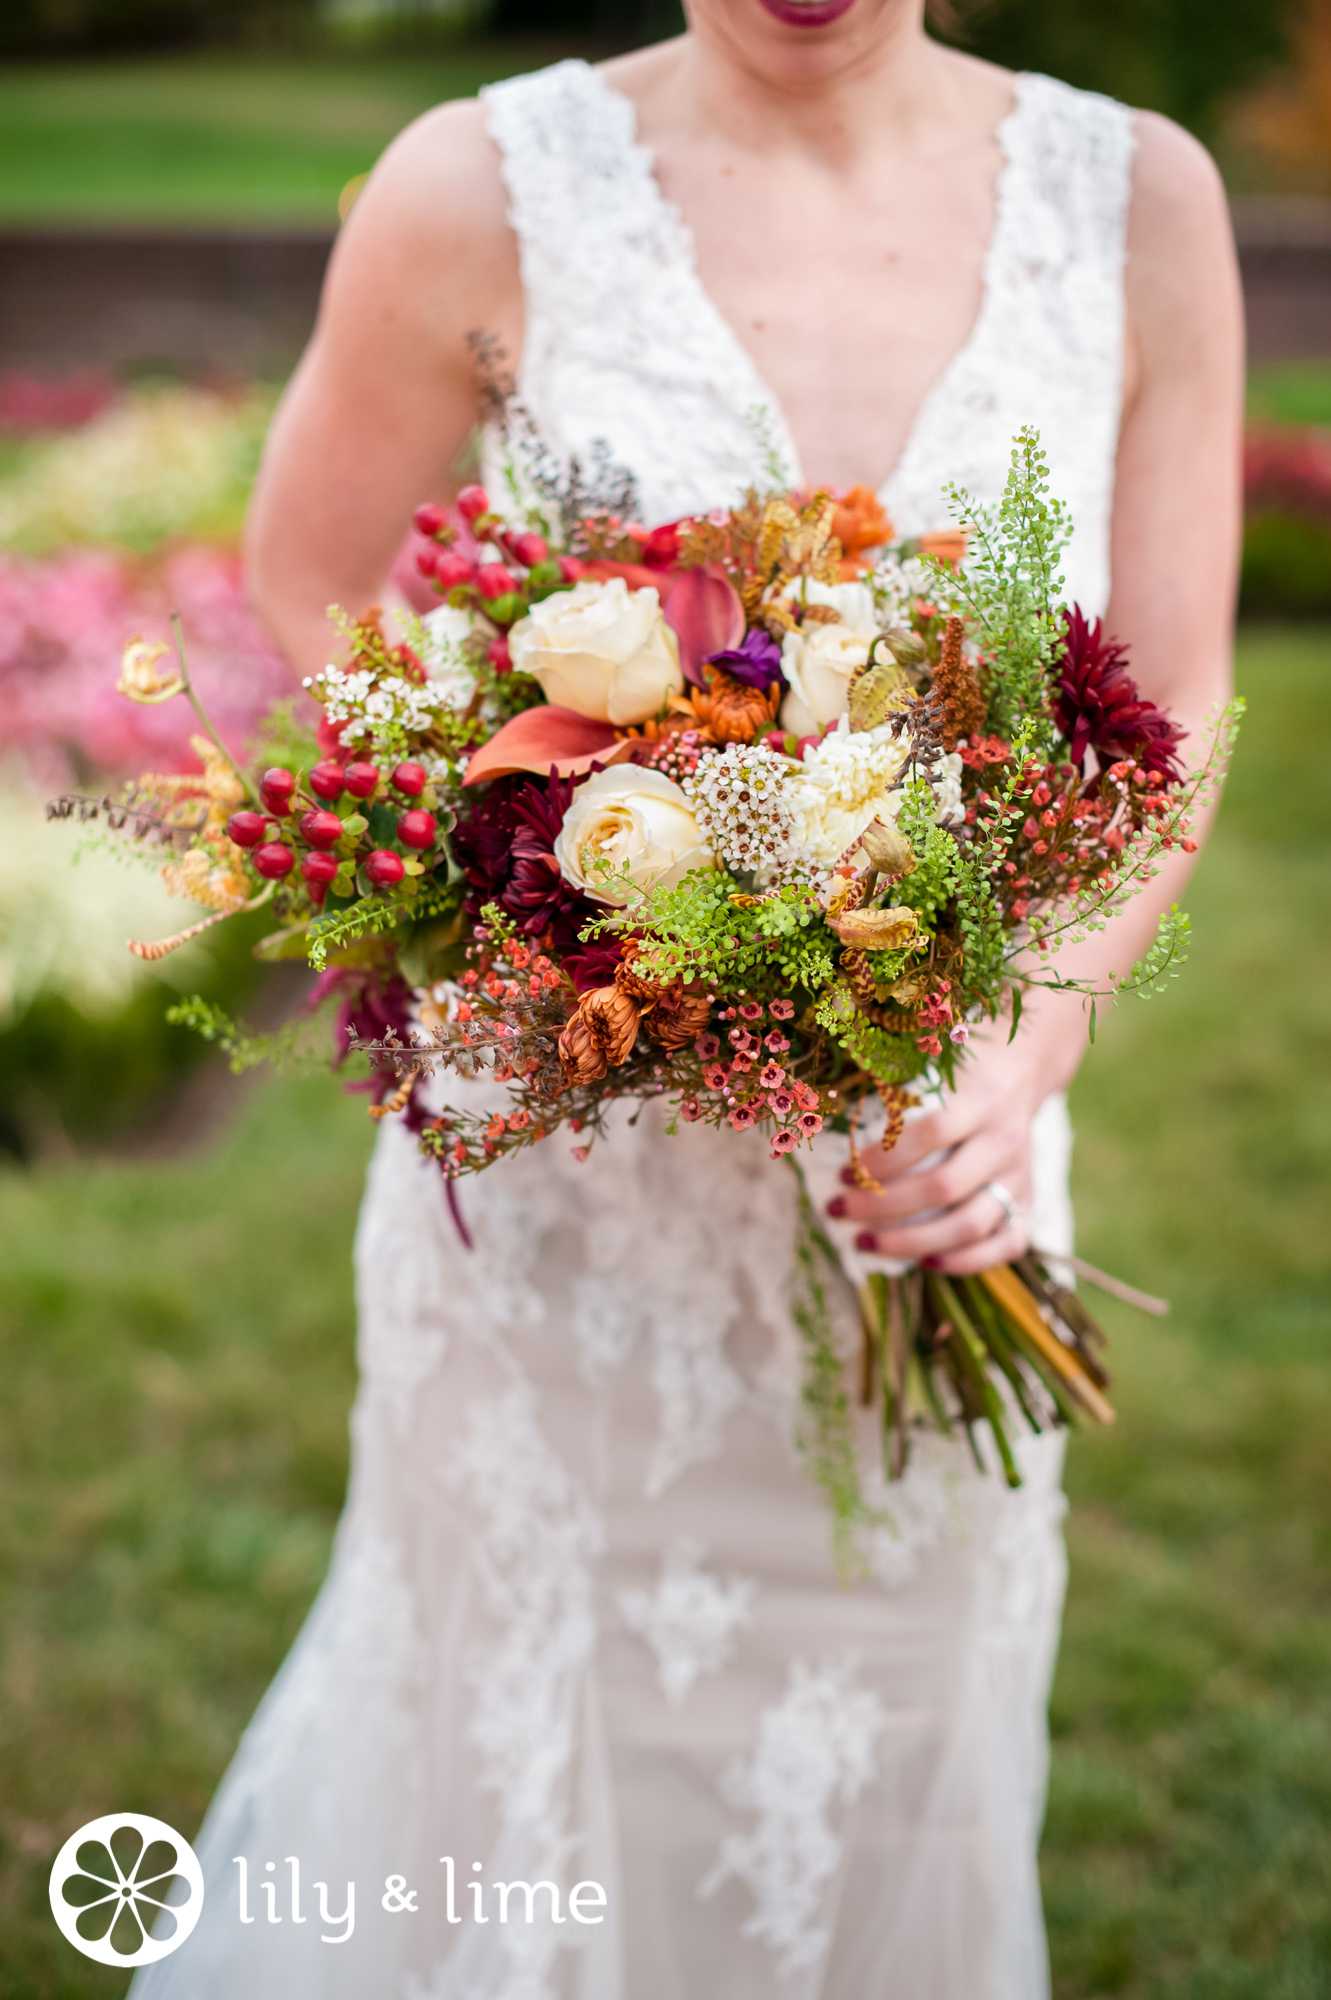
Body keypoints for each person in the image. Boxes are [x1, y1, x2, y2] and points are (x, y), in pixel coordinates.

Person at [133, 2, 1241, 1994]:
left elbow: (1167, 728)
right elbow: (311, 578)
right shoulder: (478, 188)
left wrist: (1030, 1032)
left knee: (899, 1784)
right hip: (569, 1245)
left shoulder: (1141, 203)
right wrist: (501, 845)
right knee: (515, 1791)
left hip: (935, 1193)